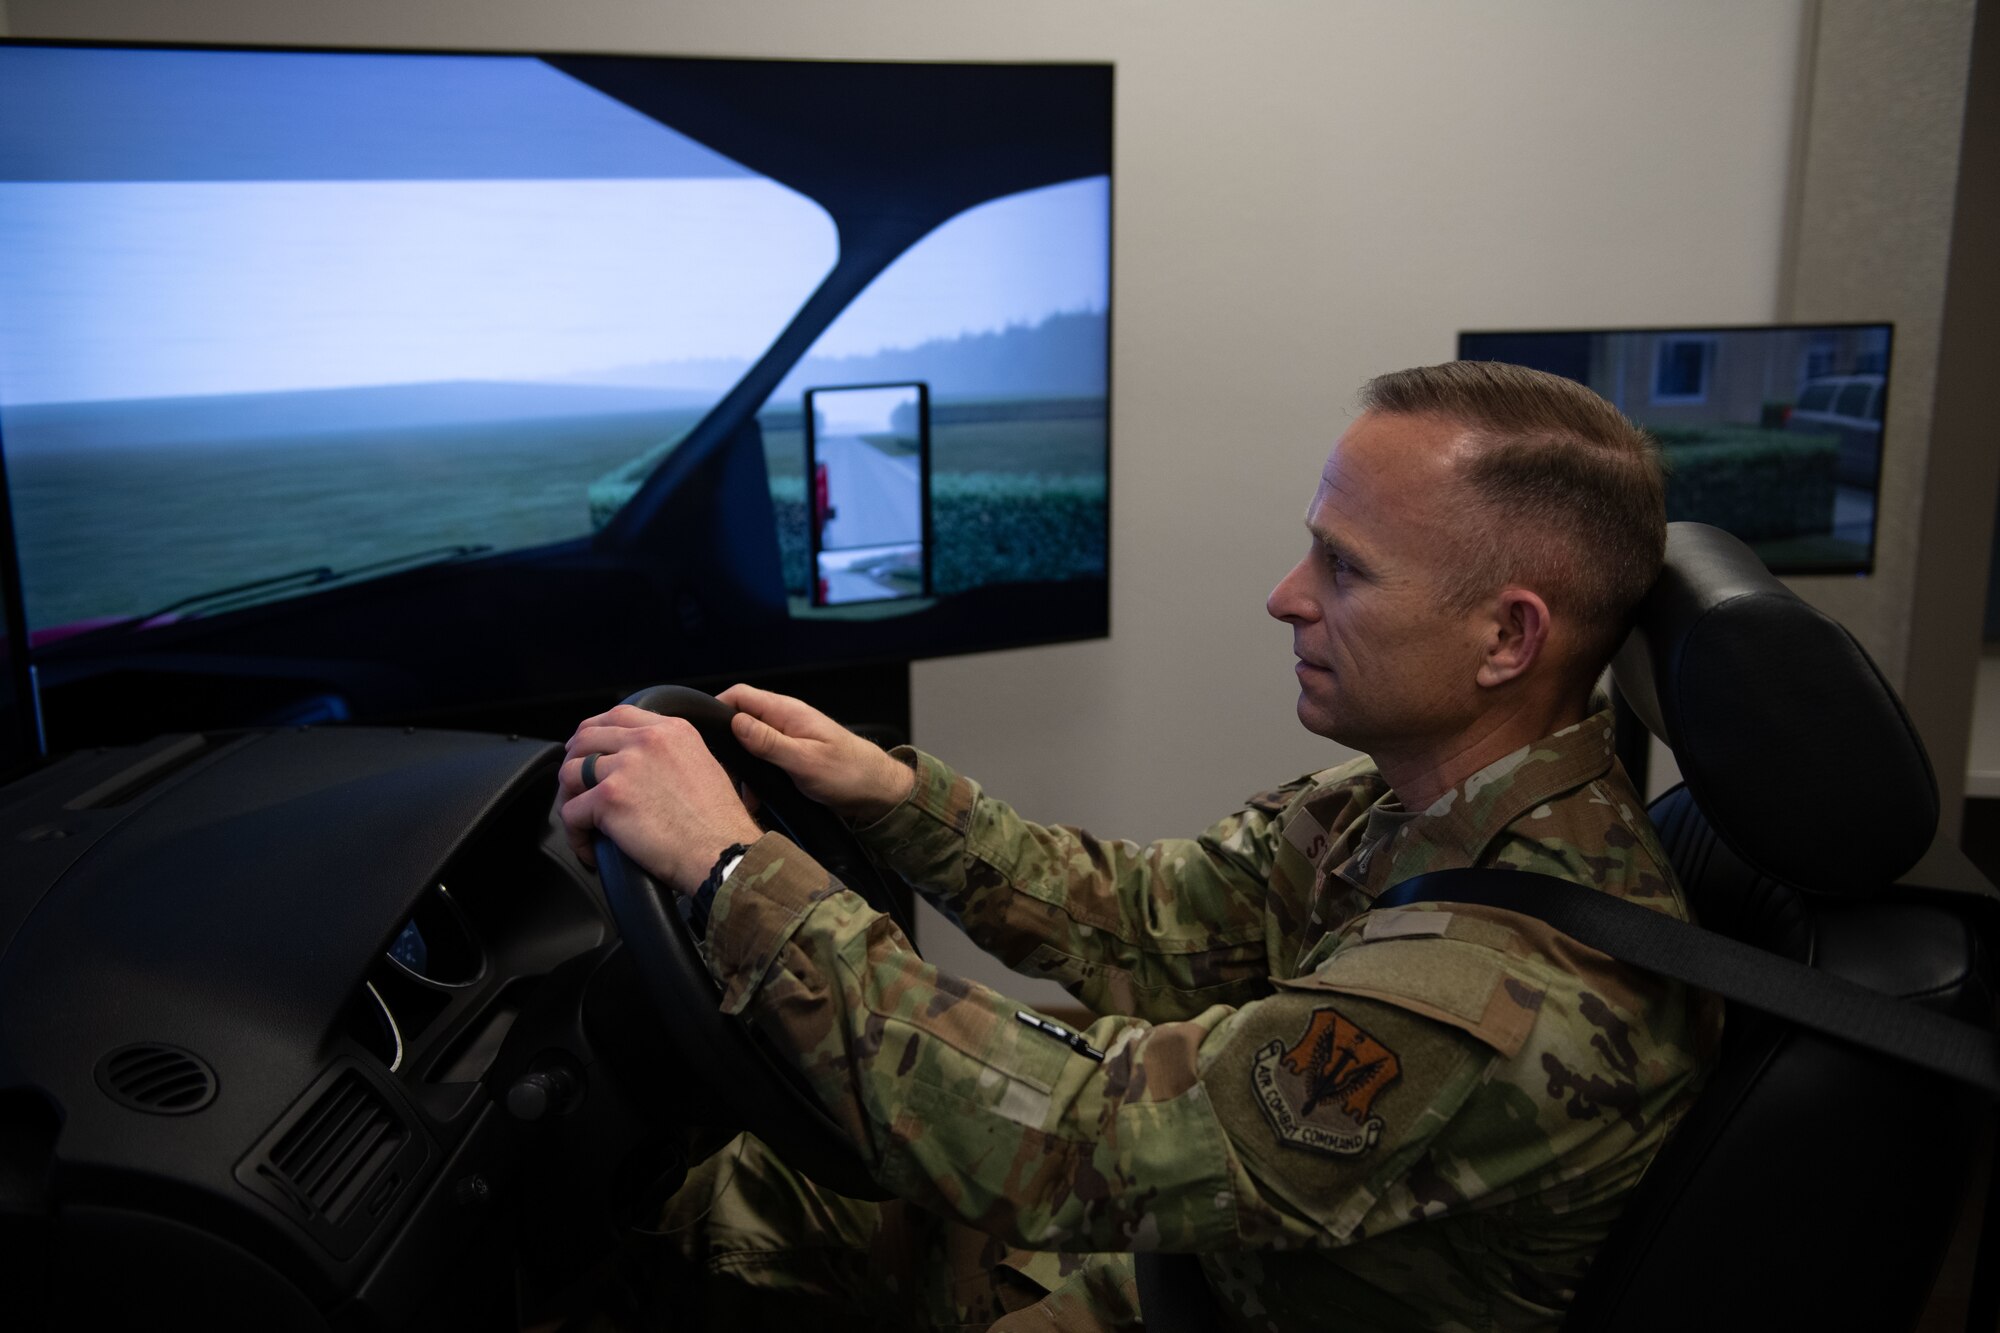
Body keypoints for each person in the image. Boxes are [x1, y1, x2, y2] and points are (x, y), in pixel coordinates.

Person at [555, 361, 1719, 1332]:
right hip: (1233, 1264)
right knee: (773, 1188)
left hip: (1224, 1287)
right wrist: (890, 792)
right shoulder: (1406, 804)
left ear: (1505, 636)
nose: (1283, 595)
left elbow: (1079, 1140)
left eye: (1343, 569)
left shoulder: (1492, 996)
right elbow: (1147, 921)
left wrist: (728, 870)